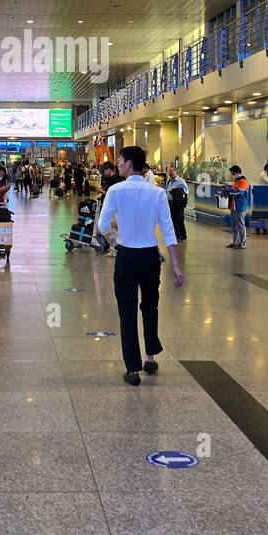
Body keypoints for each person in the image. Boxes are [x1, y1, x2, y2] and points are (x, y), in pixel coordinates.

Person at [97, 146, 184, 385]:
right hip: (149, 257)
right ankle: (150, 357)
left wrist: (117, 224)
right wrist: (176, 265)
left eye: (120, 161)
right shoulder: (156, 193)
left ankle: (132, 369)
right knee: (150, 306)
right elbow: (168, 231)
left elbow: (103, 226)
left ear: (129, 164)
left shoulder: (115, 190)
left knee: (127, 311)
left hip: (126, 258)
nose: (118, 165)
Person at [224, 164, 250, 249]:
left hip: (240, 206)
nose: (232, 175)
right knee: (234, 226)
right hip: (233, 206)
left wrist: (229, 191)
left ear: (237, 172)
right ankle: (236, 242)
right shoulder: (236, 181)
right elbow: (233, 191)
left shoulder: (243, 181)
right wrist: (227, 190)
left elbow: (239, 193)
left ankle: (242, 243)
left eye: (233, 173)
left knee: (240, 225)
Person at [165, 164, 190, 242]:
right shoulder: (169, 181)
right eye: (169, 171)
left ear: (176, 172)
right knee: (173, 219)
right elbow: (166, 190)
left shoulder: (180, 181)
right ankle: (180, 235)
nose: (170, 173)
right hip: (170, 203)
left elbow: (186, 192)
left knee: (178, 220)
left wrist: (176, 193)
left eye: (172, 171)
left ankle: (179, 235)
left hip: (178, 203)